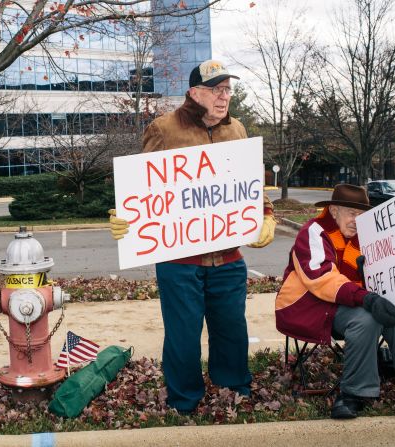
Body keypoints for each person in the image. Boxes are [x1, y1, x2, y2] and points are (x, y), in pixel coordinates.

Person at [109, 60, 276, 413]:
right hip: (179, 261)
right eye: (216, 89)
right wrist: (128, 219)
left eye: (227, 89)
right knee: (183, 336)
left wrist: (266, 215)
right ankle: (184, 399)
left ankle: (234, 389)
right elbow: (144, 187)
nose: (223, 97)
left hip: (228, 257)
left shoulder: (238, 131)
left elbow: (251, 185)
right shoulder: (164, 129)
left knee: (232, 329)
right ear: (194, 93)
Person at [275, 184, 395, 422]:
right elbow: (321, 278)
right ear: (333, 211)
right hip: (309, 307)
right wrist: (367, 298)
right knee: (366, 318)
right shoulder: (314, 231)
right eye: (351, 212)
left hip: (347, 304)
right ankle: (354, 393)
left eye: (362, 214)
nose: (357, 219)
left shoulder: (368, 238)